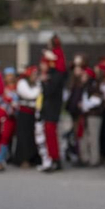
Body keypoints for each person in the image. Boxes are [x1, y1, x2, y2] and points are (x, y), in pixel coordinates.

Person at [37, 39, 67, 172]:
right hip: (48, 108)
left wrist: (44, 81)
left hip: (52, 108)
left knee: (51, 134)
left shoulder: (56, 75)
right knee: (49, 134)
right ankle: (53, 158)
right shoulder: (52, 74)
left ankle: (54, 159)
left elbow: (49, 91)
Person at [12, 66, 42, 168]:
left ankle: (33, 158)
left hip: (33, 114)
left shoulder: (36, 83)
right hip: (24, 114)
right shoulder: (22, 83)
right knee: (24, 137)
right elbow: (30, 94)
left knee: (33, 137)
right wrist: (39, 89)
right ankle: (23, 159)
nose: (35, 77)